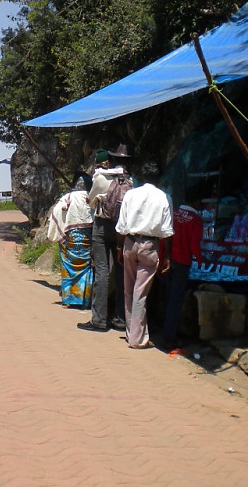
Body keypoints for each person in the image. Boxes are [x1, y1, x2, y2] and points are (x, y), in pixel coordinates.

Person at [77, 145, 133, 333]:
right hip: (122, 228)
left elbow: (90, 200)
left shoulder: (100, 178)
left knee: (101, 271)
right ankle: (120, 318)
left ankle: (99, 319)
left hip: (102, 225)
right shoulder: (131, 181)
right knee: (120, 271)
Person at [115, 176, 174, 349]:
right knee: (140, 293)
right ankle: (137, 338)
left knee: (129, 290)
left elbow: (121, 225)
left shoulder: (130, 195)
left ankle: (130, 333)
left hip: (130, 242)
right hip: (149, 246)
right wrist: (167, 256)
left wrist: (119, 248)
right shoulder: (164, 197)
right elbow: (167, 231)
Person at [161, 186, 203, 350]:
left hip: (168, 260)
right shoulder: (196, 219)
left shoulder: (174, 212)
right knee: (175, 301)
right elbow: (194, 245)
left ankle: (164, 331)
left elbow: (165, 235)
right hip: (182, 262)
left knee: (166, 297)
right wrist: (201, 260)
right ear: (197, 202)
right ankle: (169, 337)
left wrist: (163, 257)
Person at [47, 172, 94, 308]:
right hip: (87, 240)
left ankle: (68, 300)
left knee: (68, 268)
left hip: (70, 240)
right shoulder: (91, 198)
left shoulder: (68, 197)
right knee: (86, 268)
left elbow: (56, 212)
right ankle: (85, 301)